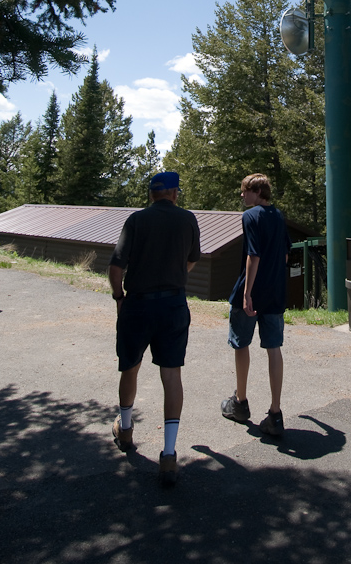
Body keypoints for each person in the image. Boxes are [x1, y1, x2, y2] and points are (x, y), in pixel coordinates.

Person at [108, 170, 200, 487]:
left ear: (152, 194)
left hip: (138, 305)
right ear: (175, 193)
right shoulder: (188, 220)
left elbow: (116, 267)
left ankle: (126, 430)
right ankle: (170, 454)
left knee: (130, 368)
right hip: (173, 305)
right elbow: (191, 261)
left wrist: (119, 297)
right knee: (171, 375)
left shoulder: (136, 220)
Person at [221, 173, 291, 436]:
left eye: (246, 190)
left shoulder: (250, 217)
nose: (242, 195)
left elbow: (253, 255)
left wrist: (247, 293)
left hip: (251, 293)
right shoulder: (279, 216)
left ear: (258, 191)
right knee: (274, 348)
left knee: (241, 343)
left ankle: (240, 403)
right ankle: (275, 413)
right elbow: (284, 254)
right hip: (275, 293)